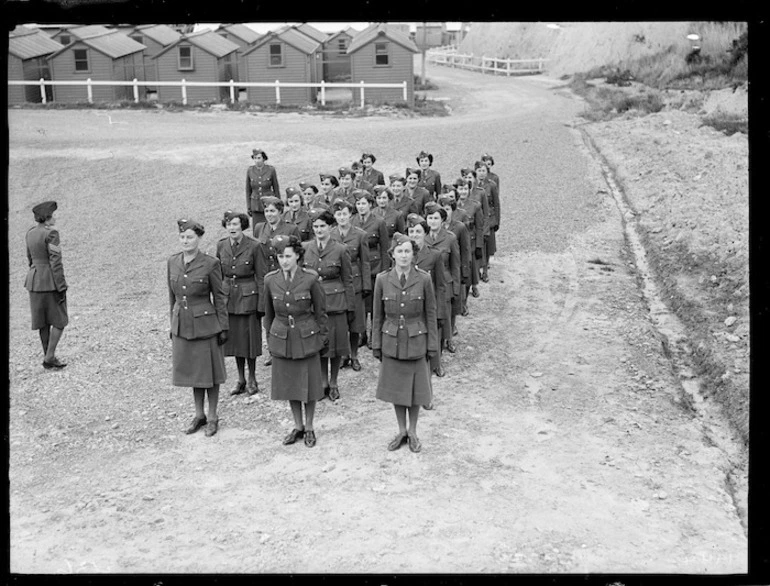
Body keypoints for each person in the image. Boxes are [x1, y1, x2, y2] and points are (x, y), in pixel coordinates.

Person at [372, 233, 438, 453]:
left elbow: (430, 313)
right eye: (399, 251)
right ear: (392, 255)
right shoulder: (382, 279)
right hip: (392, 340)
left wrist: (432, 345)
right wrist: (377, 344)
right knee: (397, 390)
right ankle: (401, 430)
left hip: (416, 340)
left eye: (407, 251)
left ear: (414, 254)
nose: (403, 255)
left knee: (415, 391)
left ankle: (413, 431)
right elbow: (377, 315)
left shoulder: (424, 279)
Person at [263, 235, 328, 448]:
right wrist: (270, 340)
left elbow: (321, 312)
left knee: (307, 384)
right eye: (280, 256)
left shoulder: (310, 278)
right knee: (290, 384)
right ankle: (297, 426)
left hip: (306, 336)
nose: (284, 261)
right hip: (282, 337)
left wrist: (322, 337)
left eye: (288, 256)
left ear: (298, 256)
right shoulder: (270, 280)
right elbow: (268, 314)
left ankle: (309, 426)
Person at [168, 219, 229, 437]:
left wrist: (223, 326)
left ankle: (212, 416)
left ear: (199, 238)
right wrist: (172, 324)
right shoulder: (172, 262)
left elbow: (220, 297)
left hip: (206, 325)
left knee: (209, 372)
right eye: (182, 237)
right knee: (194, 372)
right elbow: (171, 297)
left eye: (190, 237)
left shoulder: (210, 263)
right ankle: (199, 415)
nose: (186, 241)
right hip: (182, 325)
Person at [302, 210, 355, 401]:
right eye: (315, 227)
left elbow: (348, 280)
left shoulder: (341, 249)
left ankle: (333, 382)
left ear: (331, 227)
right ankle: (322, 382)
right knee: (320, 344)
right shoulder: (305, 247)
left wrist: (350, 307)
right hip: (313, 304)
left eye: (322, 226)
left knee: (336, 345)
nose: (318, 230)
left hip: (335, 303)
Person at [216, 211, 267, 396]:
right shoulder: (221, 245)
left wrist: (262, 304)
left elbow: (261, 277)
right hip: (228, 298)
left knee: (250, 341)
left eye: (235, 224)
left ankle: (252, 378)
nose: (232, 228)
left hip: (248, 298)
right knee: (236, 341)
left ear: (242, 226)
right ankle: (241, 379)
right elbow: (217, 275)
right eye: (228, 224)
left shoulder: (254, 246)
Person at [252, 196, 300, 366]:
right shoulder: (259, 228)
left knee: (286, 310)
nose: (269, 214)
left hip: (285, 275)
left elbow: (297, 254)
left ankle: (290, 345)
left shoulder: (291, 228)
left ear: (280, 212)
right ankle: (273, 349)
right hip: (266, 276)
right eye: (266, 211)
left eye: (272, 211)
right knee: (268, 313)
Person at [25, 200, 68, 369]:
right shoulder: (52, 234)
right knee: (59, 320)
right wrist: (61, 285)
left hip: (33, 281)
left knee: (43, 322)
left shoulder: (30, 233)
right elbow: (56, 262)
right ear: (47, 217)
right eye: (53, 216)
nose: (54, 219)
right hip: (50, 281)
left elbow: (29, 258)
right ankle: (49, 358)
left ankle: (48, 356)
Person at [331, 198, 371, 371]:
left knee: (355, 323)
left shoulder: (360, 235)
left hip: (355, 282)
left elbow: (365, 262)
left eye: (345, 214)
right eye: (338, 214)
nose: (342, 217)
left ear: (350, 215)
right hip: (337, 283)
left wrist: (366, 285)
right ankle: (343, 355)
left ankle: (354, 355)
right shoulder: (330, 234)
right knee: (340, 322)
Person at [424, 202, 461, 376]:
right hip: (424, 286)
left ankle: (437, 363)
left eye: (436, 218)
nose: (432, 221)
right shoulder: (421, 238)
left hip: (443, 286)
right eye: (430, 218)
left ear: (442, 220)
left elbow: (455, 265)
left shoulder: (450, 238)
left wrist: (455, 289)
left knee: (439, 324)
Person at [351, 190, 390, 349]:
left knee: (374, 303)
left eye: (364, 203)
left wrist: (385, 270)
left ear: (370, 205)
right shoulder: (352, 220)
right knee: (361, 304)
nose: (361, 207)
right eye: (358, 203)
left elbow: (385, 248)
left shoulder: (379, 222)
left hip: (375, 266)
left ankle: (375, 335)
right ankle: (361, 334)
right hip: (358, 267)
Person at [438, 192, 471, 340]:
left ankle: (450, 335)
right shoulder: (434, 227)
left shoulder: (459, 227)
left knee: (451, 306)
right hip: (439, 271)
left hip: (453, 271)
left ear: (453, 210)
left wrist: (464, 273)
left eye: (448, 209)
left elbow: (465, 251)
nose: (445, 212)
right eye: (442, 209)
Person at [455, 177, 484, 306]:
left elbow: (479, 226)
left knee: (468, 275)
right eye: (460, 189)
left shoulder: (475, 206)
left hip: (469, 245)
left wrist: (478, 246)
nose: (463, 192)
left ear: (469, 190)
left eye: (465, 189)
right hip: (455, 244)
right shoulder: (451, 206)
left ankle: (464, 302)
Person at [475, 160, 500, 273]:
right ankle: (477, 268)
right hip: (475, 218)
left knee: (487, 245)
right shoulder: (472, 184)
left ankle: (485, 270)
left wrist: (496, 222)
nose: (481, 173)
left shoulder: (491, 185)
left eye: (483, 171)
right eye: (479, 170)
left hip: (488, 218)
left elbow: (496, 204)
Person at [246, 148, 280, 225]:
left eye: (259, 158)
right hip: (256, 205)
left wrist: (278, 205)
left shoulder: (271, 170)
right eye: (255, 158)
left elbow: (276, 189)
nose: (257, 161)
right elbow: (248, 190)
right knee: (257, 228)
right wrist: (249, 206)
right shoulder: (250, 170)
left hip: (268, 205)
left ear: (263, 159)